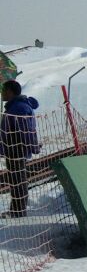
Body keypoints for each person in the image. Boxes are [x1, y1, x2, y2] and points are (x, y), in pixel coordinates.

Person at [1, 80, 41, 218]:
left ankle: (18, 212)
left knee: (18, 180)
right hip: (12, 149)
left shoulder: (19, 108)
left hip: (17, 150)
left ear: (10, 92)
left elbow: (26, 131)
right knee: (16, 180)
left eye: (3, 90)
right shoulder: (14, 107)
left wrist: (33, 146)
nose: (1, 93)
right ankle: (16, 210)